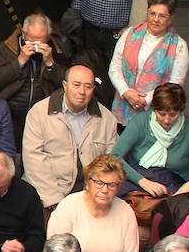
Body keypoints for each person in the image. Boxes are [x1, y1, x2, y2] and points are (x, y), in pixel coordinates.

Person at [23, 64, 121, 211]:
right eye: (76, 85)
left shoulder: (107, 119)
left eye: (88, 86)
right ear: (65, 85)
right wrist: (55, 201)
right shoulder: (38, 113)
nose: (82, 91)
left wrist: (96, 197)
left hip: (91, 196)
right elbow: (33, 160)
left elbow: (112, 163)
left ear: (93, 89)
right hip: (47, 195)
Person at [113, 83, 189, 203]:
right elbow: (115, 156)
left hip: (175, 187)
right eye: (161, 114)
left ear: (181, 110)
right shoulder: (141, 121)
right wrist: (144, 182)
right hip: (137, 182)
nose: (167, 120)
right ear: (154, 109)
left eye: (173, 115)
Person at [47, 154, 139, 252]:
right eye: (99, 183)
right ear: (88, 183)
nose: (105, 190)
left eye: (111, 185)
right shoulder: (68, 206)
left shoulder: (126, 211)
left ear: (118, 187)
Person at [109, 0, 189, 125]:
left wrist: (144, 100)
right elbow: (115, 67)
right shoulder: (129, 34)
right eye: (152, 14)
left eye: (162, 16)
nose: (156, 20)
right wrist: (126, 92)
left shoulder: (179, 46)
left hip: (155, 113)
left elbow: (174, 85)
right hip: (123, 105)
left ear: (171, 18)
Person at [0, 13, 69, 139]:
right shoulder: (7, 49)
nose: (36, 45)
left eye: (41, 41)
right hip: (10, 114)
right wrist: (19, 62)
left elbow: (67, 85)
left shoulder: (57, 51)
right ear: (24, 35)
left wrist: (50, 64)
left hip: (43, 116)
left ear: (48, 37)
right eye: (32, 40)